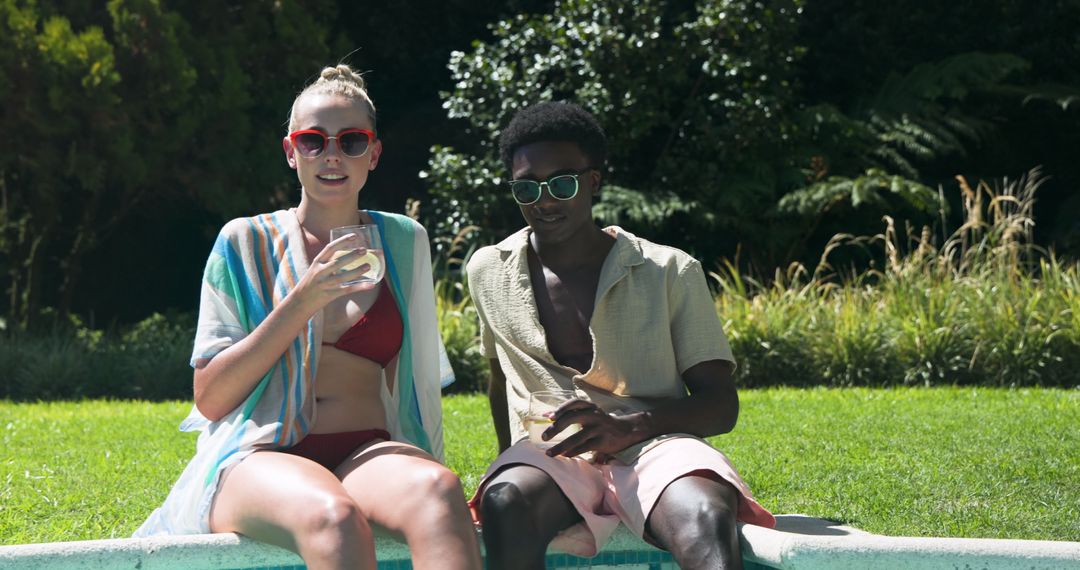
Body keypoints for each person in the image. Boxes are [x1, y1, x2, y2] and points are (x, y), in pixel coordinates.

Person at [135, 64, 481, 570]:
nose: (332, 155)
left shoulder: (405, 241)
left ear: (374, 153)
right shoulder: (244, 242)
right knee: (334, 518)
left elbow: (415, 384)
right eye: (314, 140)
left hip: (367, 449)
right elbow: (210, 398)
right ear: (291, 152)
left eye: (352, 140)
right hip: (262, 454)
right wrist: (302, 300)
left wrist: (425, 457)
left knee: (438, 493)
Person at [466, 101, 775, 570]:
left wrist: (628, 427)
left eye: (562, 183)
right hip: (555, 450)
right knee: (507, 500)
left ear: (593, 181)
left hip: (656, 443)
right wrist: (512, 458)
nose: (544, 201)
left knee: (705, 514)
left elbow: (720, 404)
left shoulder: (669, 269)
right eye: (526, 187)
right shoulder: (488, 270)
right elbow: (499, 377)